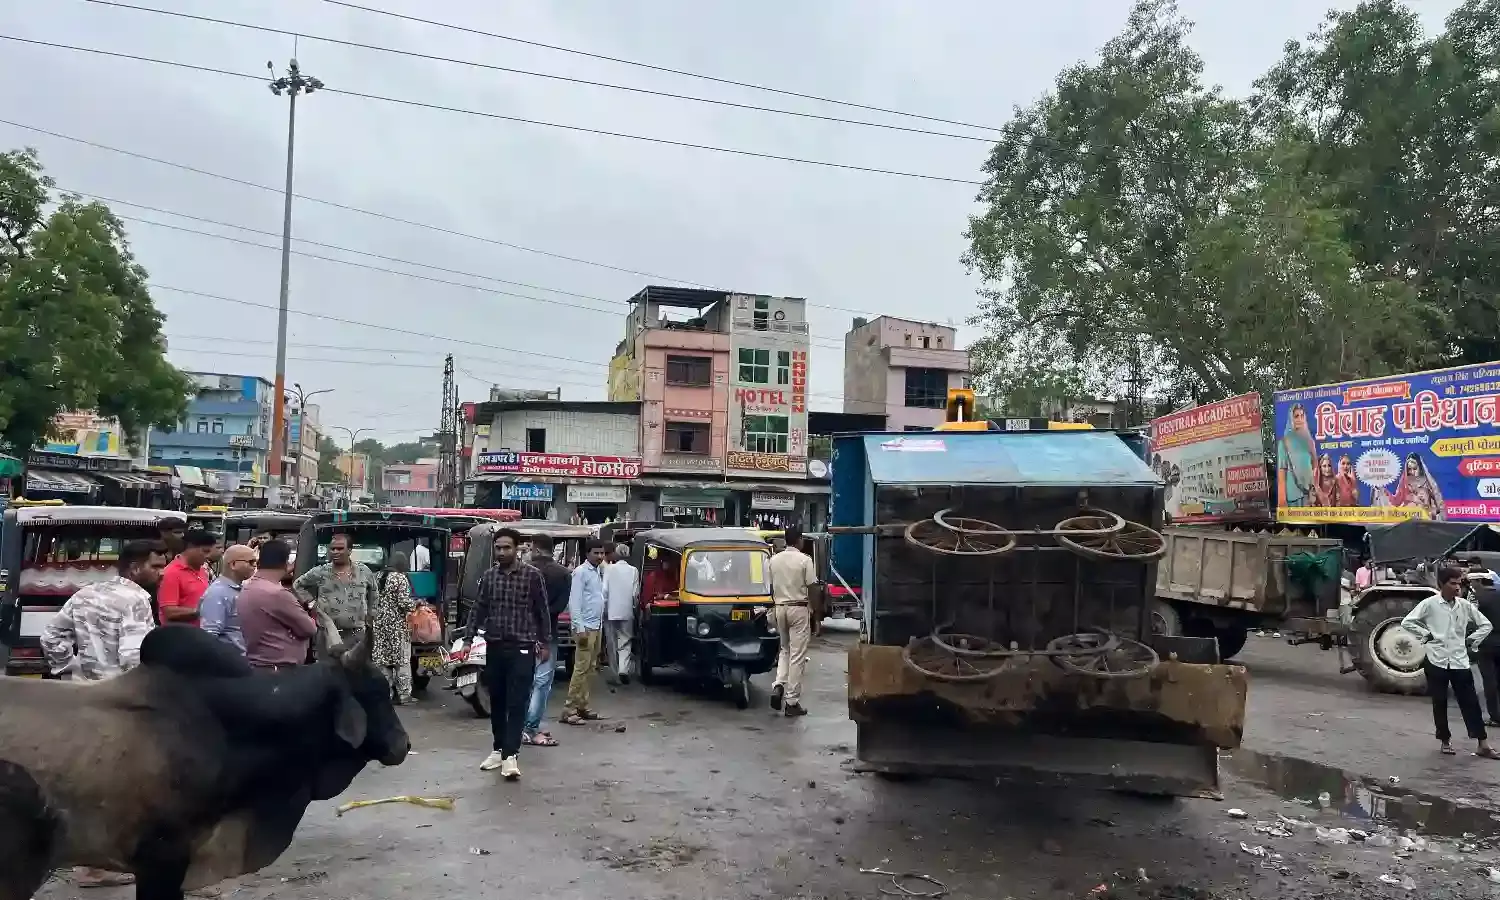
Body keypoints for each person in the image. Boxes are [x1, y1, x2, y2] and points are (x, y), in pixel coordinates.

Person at [41, 539, 166, 890]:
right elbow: (134, 656)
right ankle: (98, 867)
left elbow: (52, 637)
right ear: (135, 567)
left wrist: (71, 669)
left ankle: (88, 862)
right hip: (119, 704)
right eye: (155, 567)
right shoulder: (137, 599)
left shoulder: (86, 593)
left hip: (83, 699)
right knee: (119, 786)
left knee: (86, 784)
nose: (160, 574)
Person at [466, 527, 550, 779]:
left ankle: (511, 756)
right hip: (495, 646)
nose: (502, 552)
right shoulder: (490, 577)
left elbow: (542, 612)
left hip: (522, 647)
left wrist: (545, 643)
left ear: (518, 549)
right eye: (498, 548)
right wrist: (468, 639)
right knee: (497, 701)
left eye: (507, 548)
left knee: (517, 702)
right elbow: (478, 609)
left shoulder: (532, 576)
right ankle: (498, 749)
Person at [1401, 565, 1498, 758]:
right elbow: (1407, 622)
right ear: (1441, 585)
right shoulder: (1430, 604)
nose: (1457, 588)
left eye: (1459, 584)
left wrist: (1472, 640)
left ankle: (1483, 744)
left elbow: (1486, 625)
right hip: (1436, 660)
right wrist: (1426, 635)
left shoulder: (1464, 605)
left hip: (1459, 660)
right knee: (1440, 701)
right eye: (1452, 583)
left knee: (1471, 702)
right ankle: (1445, 741)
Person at [522, 533, 571, 748]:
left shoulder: (524, 571)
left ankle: (526, 725)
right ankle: (532, 726)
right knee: (542, 682)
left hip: (524, 632)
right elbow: (560, 607)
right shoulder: (564, 574)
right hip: (548, 632)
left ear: (537, 549)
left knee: (525, 680)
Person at [241, 539, 318, 671]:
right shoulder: (278, 594)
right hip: (279, 670)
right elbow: (309, 628)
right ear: (285, 562)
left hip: (258, 665)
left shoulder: (248, 587)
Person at [768, 525, 819, 717]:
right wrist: (816, 613)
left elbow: (770, 586)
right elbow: (812, 587)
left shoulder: (773, 560)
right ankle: (791, 701)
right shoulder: (805, 560)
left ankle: (779, 684)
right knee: (797, 655)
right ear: (798, 540)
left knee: (785, 650)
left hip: (779, 608)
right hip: (798, 608)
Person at [293, 533, 378, 647]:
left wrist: (371, 615)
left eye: (340, 548)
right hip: (327, 633)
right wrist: (312, 603)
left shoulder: (363, 571)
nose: (335, 552)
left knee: (355, 665)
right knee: (327, 665)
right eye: (332, 549)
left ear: (349, 550)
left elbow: (374, 592)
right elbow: (297, 585)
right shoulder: (320, 571)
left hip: (356, 634)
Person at [561, 540, 608, 726]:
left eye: (602, 553)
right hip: (585, 628)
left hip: (597, 625)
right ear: (587, 553)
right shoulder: (580, 572)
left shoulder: (597, 571)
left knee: (591, 668)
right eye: (596, 553)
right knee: (580, 668)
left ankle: (582, 706)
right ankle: (568, 709)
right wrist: (579, 629)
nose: (600, 556)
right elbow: (575, 602)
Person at [373, 551, 418, 704]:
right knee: (402, 660)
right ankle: (404, 696)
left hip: (379, 624)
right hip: (396, 625)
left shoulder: (377, 576)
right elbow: (404, 602)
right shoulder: (400, 578)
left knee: (382, 660)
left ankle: (386, 694)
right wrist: (416, 604)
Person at [200, 544, 257, 654]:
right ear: (233, 564)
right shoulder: (218, 593)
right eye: (250, 562)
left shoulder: (239, 589)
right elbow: (209, 635)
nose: (254, 566)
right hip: (229, 662)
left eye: (255, 562)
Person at [157, 528, 216, 626]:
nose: (208, 556)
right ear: (190, 547)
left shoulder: (202, 570)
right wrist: (203, 610)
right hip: (180, 636)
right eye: (205, 551)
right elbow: (170, 612)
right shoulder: (171, 573)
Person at [603, 543, 639, 685]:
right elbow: (635, 593)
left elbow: (604, 590)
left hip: (610, 610)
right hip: (627, 610)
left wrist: (604, 608)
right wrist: (634, 608)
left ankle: (614, 671)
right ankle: (623, 669)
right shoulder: (634, 571)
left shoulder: (609, 569)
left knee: (611, 642)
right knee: (625, 640)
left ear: (617, 554)